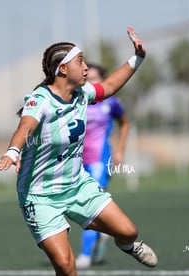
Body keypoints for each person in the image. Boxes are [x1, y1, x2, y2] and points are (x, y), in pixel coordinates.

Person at [0, 26, 157, 276]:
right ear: (63, 69)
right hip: (40, 196)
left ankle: (126, 246)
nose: (86, 68)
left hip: (77, 185)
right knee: (66, 266)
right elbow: (25, 127)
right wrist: (13, 152)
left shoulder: (82, 93)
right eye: (80, 62)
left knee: (128, 232)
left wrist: (137, 58)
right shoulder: (40, 100)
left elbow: (110, 86)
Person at [75, 63, 130, 269]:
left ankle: (85, 255)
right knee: (76, 205)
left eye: (96, 78)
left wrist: (120, 150)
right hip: (77, 162)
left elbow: (125, 123)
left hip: (101, 160)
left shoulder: (111, 102)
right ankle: (104, 231)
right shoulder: (78, 100)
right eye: (89, 78)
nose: (92, 81)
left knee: (91, 205)